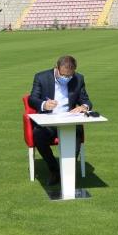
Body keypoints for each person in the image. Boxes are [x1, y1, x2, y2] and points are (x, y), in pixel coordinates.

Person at [29, 55, 92, 186]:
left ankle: (68, 171)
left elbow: (86, 100)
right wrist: (44, 104)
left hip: (69, 120)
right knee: (38, 135)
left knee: (77, 133)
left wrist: (84, 107)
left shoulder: (78, 79)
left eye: (69, 76)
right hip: (49, 120)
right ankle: (54, 170)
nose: (66, 78)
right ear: (56, 68)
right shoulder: (41, 77)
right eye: (63, 75)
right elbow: (32, 99)